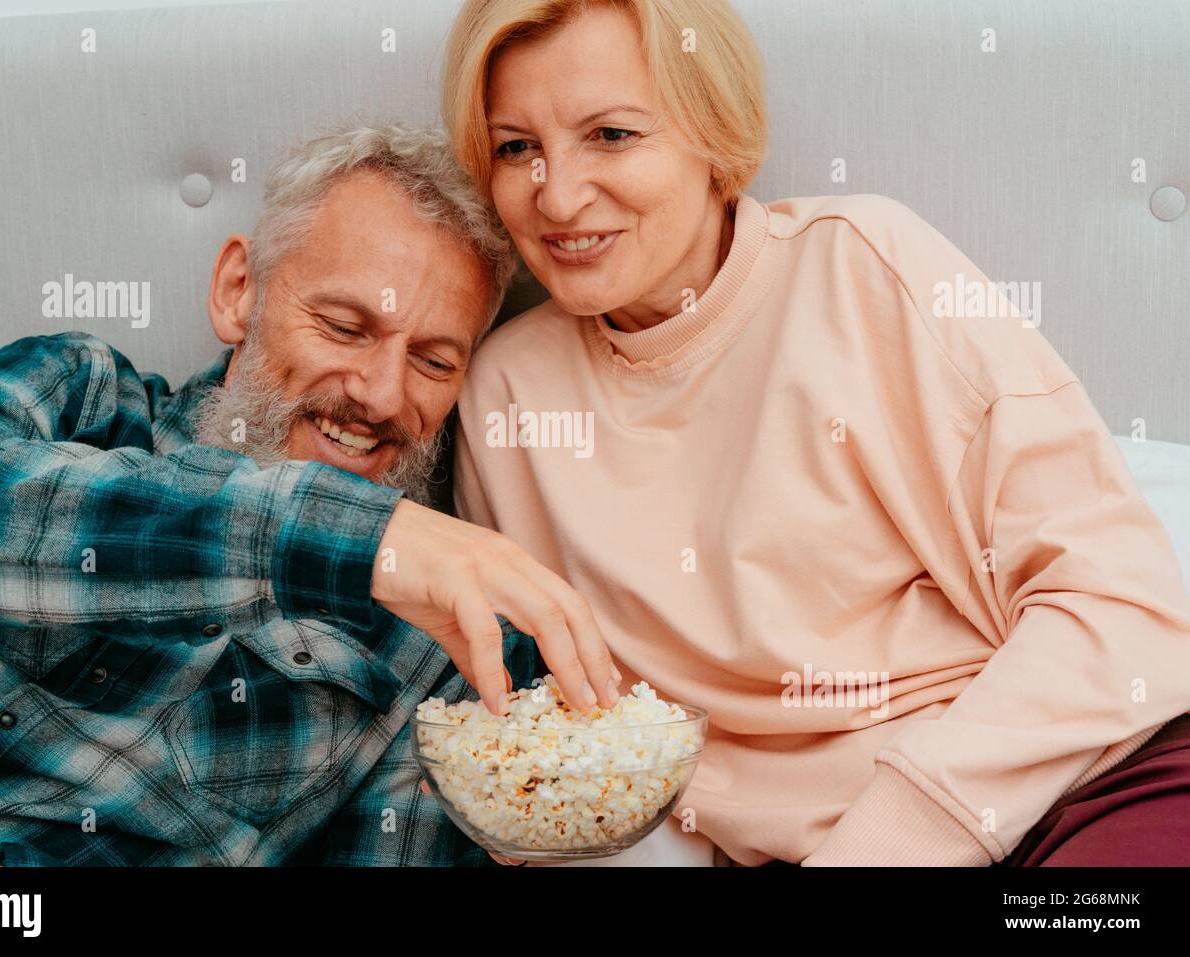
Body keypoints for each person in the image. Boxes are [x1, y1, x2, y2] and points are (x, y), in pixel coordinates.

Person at [442, 0, 1190, 866]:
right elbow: (560, 733)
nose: (559, 195)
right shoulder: (505, 393)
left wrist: (892, 840)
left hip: (1076, 790)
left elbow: (1123, 604)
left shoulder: (864, 265)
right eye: (516, 147)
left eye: (611, 134)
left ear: (712, 133)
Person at [0, 125, 618, 867]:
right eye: (344, 327)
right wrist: (356, 541)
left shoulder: (443, 658)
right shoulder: (78, 390)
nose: (382, 392)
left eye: (433, 360)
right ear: (238, 291)